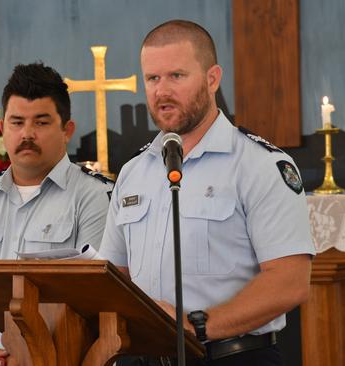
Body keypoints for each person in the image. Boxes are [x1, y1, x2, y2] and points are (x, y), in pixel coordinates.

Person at [99, 20, 315, 366]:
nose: (162, 91)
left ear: (213, 78)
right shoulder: (133, 172)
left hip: (232, 357)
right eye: (153, 79)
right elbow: (115, 276)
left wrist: (197, 326)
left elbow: (290, 282)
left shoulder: (258, 165)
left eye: (177, 76)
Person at [0, 63, 113, 366]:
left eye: (40, 123)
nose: (27, 134)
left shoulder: (95, 199)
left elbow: (97, 308)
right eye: (16, 122)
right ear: (2, 128)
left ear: (67, 131)